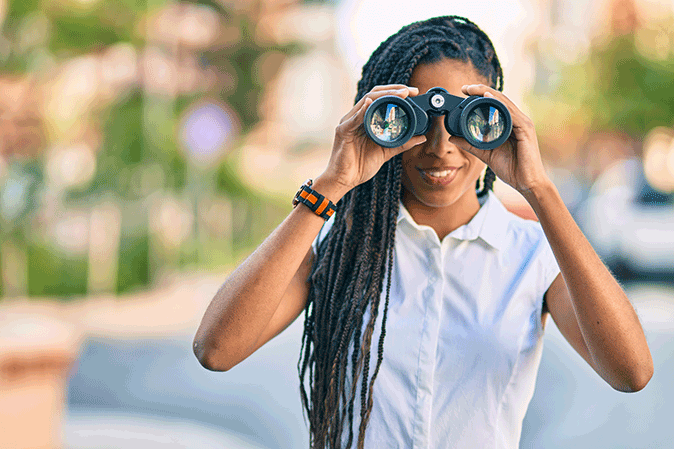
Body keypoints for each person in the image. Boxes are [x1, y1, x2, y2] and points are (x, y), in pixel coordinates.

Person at [193, 16, 653, 449]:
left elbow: (630, 372)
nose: (440, 147)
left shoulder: (530, 254)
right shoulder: (339, 241)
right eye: (409, 121)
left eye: (466, 120)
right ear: (376, 120)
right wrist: (331, 184)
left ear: (497, 117)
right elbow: (217, 349)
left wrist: (539, 188)